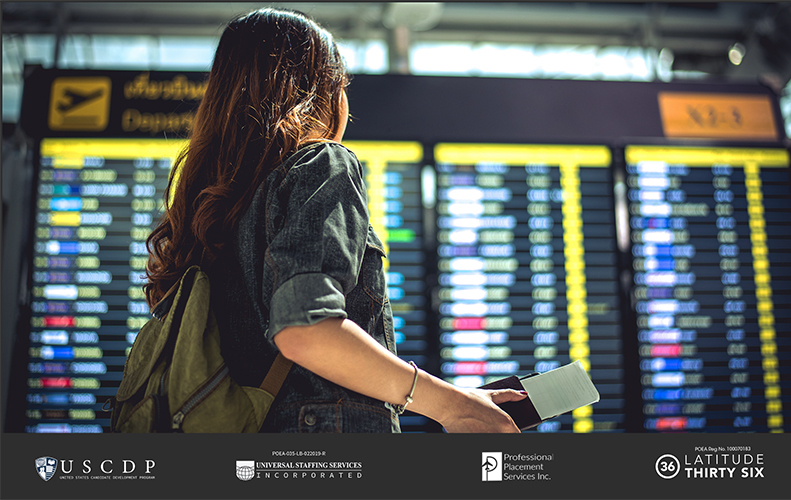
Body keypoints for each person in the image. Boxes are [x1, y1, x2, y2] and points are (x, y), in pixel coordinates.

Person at [145, 7, 526, 433]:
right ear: (326, 96)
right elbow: (306, 330)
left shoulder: (206, 208)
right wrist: (455, 407)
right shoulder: (322, 163)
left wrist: (464, 401)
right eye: (340, 86)